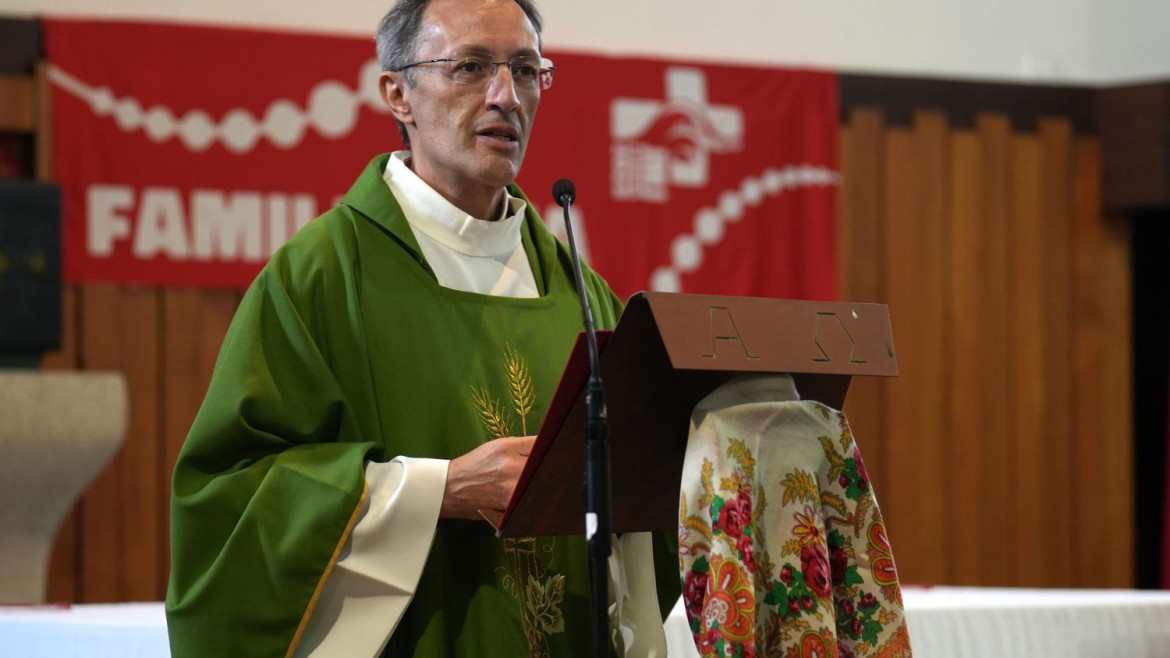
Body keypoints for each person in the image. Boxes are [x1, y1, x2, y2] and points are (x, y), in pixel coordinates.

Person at [164, 0, 680, 656]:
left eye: (526, 70)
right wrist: (437, 489)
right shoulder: (322, 276)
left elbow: (645, 508)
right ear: (397, 94)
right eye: (469, 67)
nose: (507, 96)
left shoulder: (582, 295)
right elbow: (229, 495)